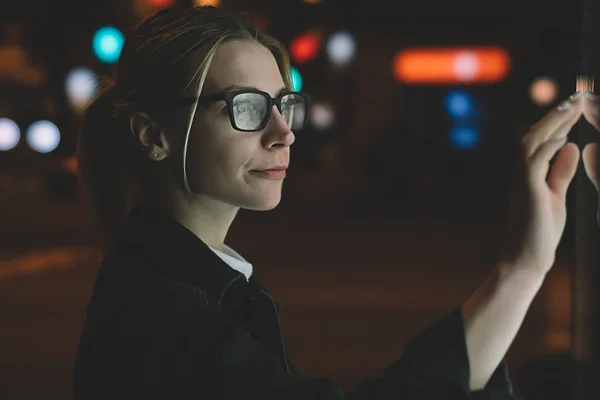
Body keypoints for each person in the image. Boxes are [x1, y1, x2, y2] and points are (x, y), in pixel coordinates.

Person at [73, 4, 600, 399]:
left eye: (284, 105)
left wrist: (526, 266)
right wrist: (522, 268)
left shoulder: (175, 283)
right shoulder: (167, 320)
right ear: (152, 135)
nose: (284, 132)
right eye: (247, 106)